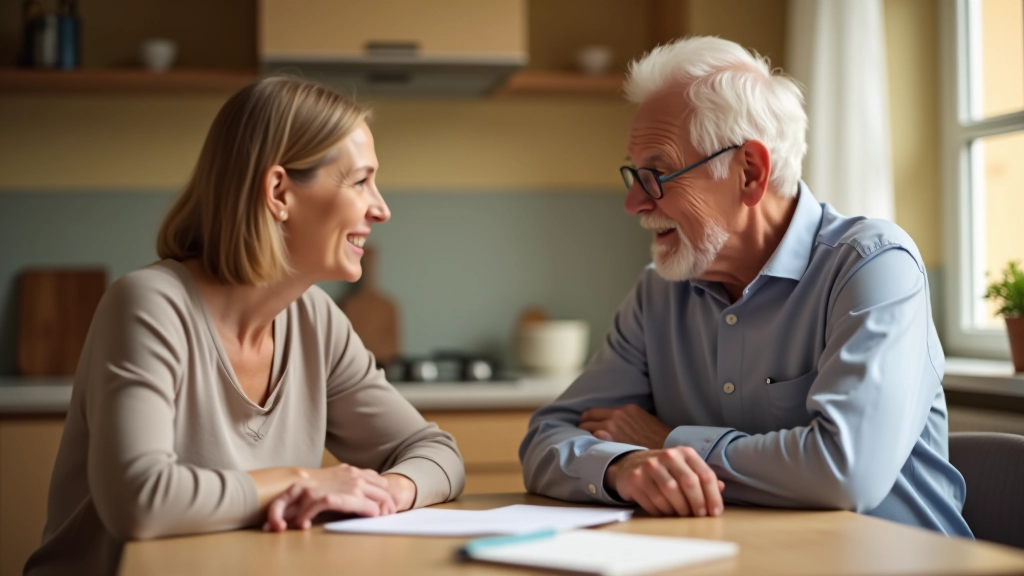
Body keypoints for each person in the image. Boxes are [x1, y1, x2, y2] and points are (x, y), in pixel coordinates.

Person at [519, 36, 971, 537]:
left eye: (658, 174)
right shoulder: (658, 295)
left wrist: (670, 442)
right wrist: (621, 467)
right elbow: (546, 438)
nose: (634, 203)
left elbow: (846, 472)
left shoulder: (873, 266)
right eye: (635, 174)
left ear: (750, 173)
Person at [25, 76, 465, 576]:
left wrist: (386, 490)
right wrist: (305, 480)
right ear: (279, 191)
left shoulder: (316, 319)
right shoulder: (150, 304)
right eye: (361, 181)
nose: (381, 209)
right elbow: (139, 499)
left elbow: (436, 453)